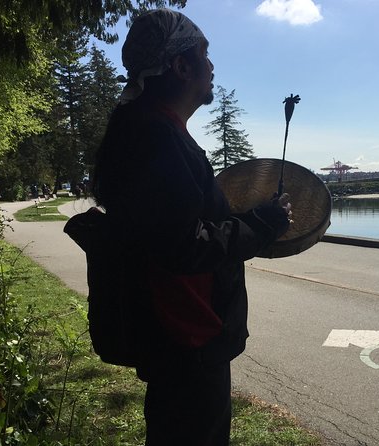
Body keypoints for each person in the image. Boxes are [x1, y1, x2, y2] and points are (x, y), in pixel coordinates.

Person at [78, 9, 292, 445]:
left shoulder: (147, 128)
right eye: (204, 54)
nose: (212, 66)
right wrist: (262, 221)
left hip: (177, 335)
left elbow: (170, 225)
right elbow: (181, 245)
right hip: (186, 332)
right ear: (180, 66)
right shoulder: (156, 136)